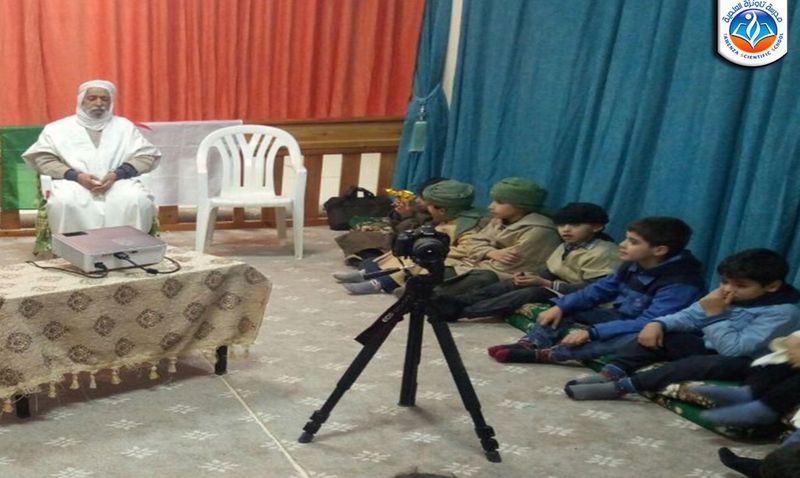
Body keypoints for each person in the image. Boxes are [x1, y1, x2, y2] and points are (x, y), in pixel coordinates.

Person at [565, 249, 800, 401]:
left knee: (698, 364)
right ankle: (610, 373)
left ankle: (624, 387)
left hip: (746, 362)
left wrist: (715, 316)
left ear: (771, 286)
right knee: (664, 336)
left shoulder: (783, 312)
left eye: (740, 285)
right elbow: (688, 316)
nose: (728, 289)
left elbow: (734, 349)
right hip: (713, 346)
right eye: (725, 282)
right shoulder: (725, 296)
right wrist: (658, 323)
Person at [488, 216, 705, 364]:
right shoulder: (633, 264)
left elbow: (649, 322)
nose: (622, 244)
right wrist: (562, 306)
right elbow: (599, 290)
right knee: (566, 307)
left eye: (633, 242)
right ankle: (533, 343)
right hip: (621, 316)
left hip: (652, 329)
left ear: (659, 250)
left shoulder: (681, 282)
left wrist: (593, 332)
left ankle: (552, 355)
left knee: (628, 339)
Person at [435, 202, 618, 321]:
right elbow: (552, 269)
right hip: (560, 287)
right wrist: (530, 276)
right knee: (513, 282)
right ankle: (457, 301)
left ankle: (463, 312)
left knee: (531, 292)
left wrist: (547, 283)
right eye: (562, 225)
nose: (566, 230)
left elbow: (598, 289)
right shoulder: (567, 245)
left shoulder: (603, 252)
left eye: (575, 225)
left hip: (587, 299)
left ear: (596, 227)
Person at [23, 79, 161, 234]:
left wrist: (116, 174)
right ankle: (73, 247)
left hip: (118, 182)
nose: (99, 103)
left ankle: (131, 245)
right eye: (92, 98)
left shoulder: (124, 127)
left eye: (104, 99)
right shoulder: (57, 128)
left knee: (137, 200)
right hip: (73, 182)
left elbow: (146, 156)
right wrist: (76, 176)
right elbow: (43, 159)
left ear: (111, 102)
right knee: (63, 202)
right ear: (81, 100)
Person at [332, 179, 485, 294]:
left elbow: (467, 250)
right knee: (380, 258)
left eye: (429, 204)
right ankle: (367, 274)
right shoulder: (445, 218)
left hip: (445, 257)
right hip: (424, 247)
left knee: (417, 260)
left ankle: (380, 283)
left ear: (442, 210)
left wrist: (434, 250)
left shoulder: (465, 226)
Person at [432, 176, 562, 298]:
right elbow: (473, 242)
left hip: (507, 276)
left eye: (499, 202)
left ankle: (434, 297)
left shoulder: (539, 231)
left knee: (483, 277)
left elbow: (507, 265)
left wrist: (480, 255)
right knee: (434, 264)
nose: (491, 206)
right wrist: (490, 252)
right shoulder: (499, 220)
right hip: (479, 265)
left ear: (520, 205)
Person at [333, 177, 446, 266]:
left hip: (408, 244)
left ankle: (370, 259)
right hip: (396, 235)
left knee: (375, 244)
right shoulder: (422, 208)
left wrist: (406, 216)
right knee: (357, 235)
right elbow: (393, 223)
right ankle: (365, 256)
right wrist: (398, 213)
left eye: (422, 199)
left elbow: (412, 235)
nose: (418, 200)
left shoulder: (438, 216)